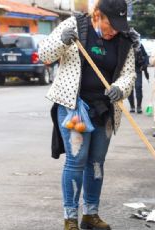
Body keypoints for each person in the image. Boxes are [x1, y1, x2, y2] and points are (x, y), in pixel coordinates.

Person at [38, 0, 135, 229]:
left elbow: (129, 74)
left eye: (118, 25)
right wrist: (62, 41)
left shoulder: (125, 39)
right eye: (110, 24)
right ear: (97, 15)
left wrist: (120, 88)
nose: (114, 31)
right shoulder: (74, 26)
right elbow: (44, 54)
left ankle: (91, 215)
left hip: (105, 110)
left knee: (97, 163)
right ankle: (70, 218)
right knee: (76, 161)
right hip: (75, 107)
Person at [127, 28, 149, 114]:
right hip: (127, 70)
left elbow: (146, 56)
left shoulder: (139, 45)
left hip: (137, 68)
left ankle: (139, 106)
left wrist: (144, 64)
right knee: (129, 89)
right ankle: (132, 106)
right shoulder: (124, 45)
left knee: (138, 87)